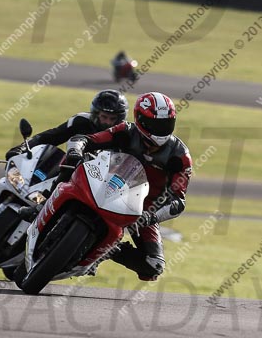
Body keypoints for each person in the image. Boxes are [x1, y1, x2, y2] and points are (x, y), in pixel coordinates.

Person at [61, 91, 192, 281]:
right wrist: (76, 150)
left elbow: (178, 202)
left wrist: (152, 216)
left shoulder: (180, 156)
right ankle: (43, 202)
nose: (161, 129)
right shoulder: (126, 131)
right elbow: (88, 140)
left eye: (166, 123)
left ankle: (104, 250)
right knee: (72, 161)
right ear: (140, 119)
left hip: (141, 210)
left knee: (153, 266)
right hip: (105, 183)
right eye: (155, 124)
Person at [5, 90, 129, 178]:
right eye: (104, 117)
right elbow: (51, 137)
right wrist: (21, 148)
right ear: (96, 113)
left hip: (100, 184)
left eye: (112, 119)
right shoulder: (81, 121)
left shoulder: (123, 134)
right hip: (67, 174)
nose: (107, 122)